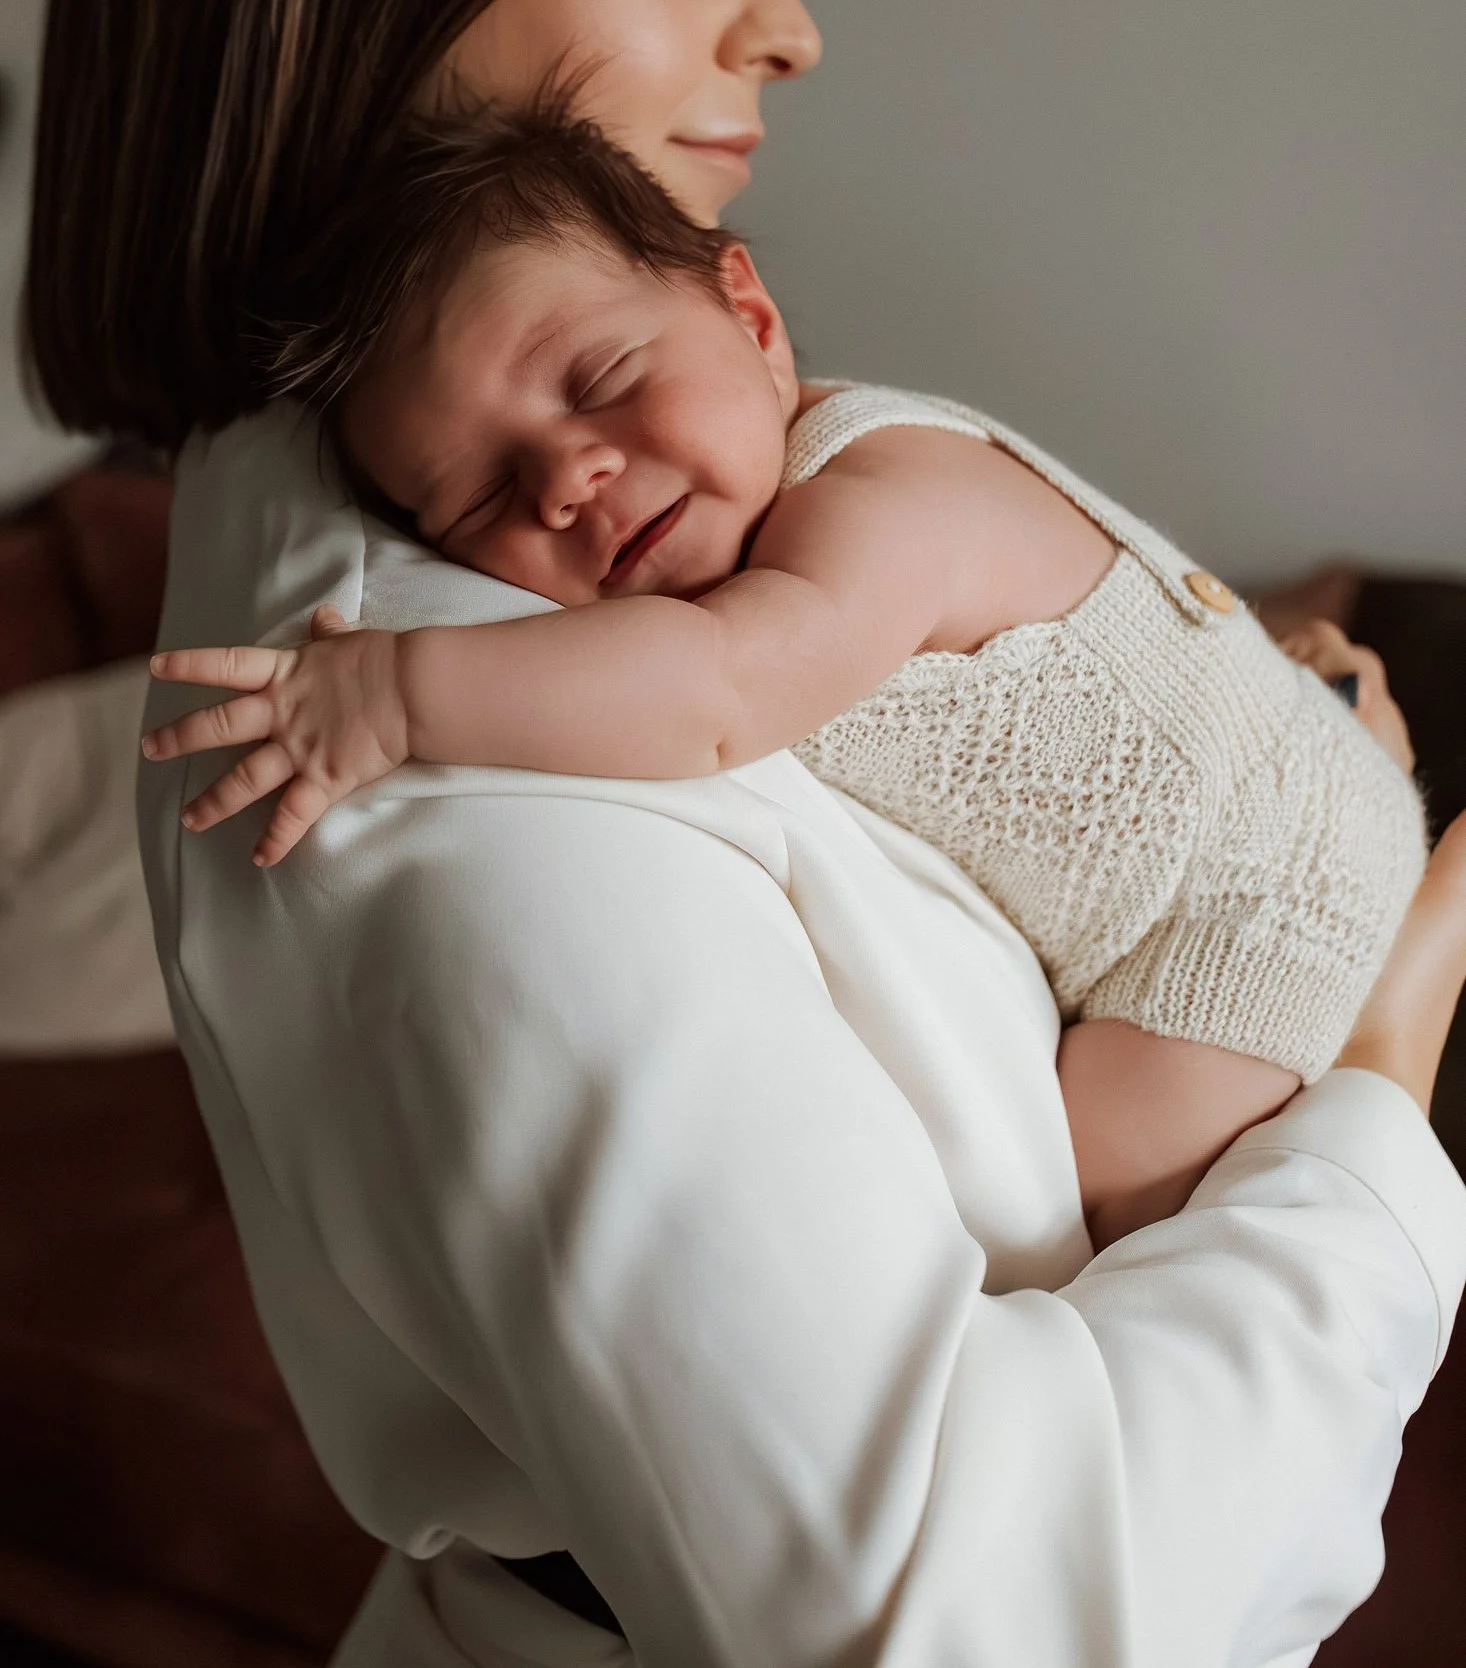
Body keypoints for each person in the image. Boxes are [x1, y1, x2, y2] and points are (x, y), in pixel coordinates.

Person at [23, 0, 1466, 1667]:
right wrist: (1366, 1104)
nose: (783, 23)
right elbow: (943, 1615)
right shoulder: (437, 718)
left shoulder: (466, 549)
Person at [144, 110, 1426, 1251]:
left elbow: (714, 694)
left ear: (751, 324)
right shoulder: (732, 529)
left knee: (1105, 1213)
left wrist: (394, 695)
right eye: (483, 495)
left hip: (1260, 886)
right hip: (1256, 778)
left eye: (601, 381)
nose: (565, 478)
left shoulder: (879, 500)